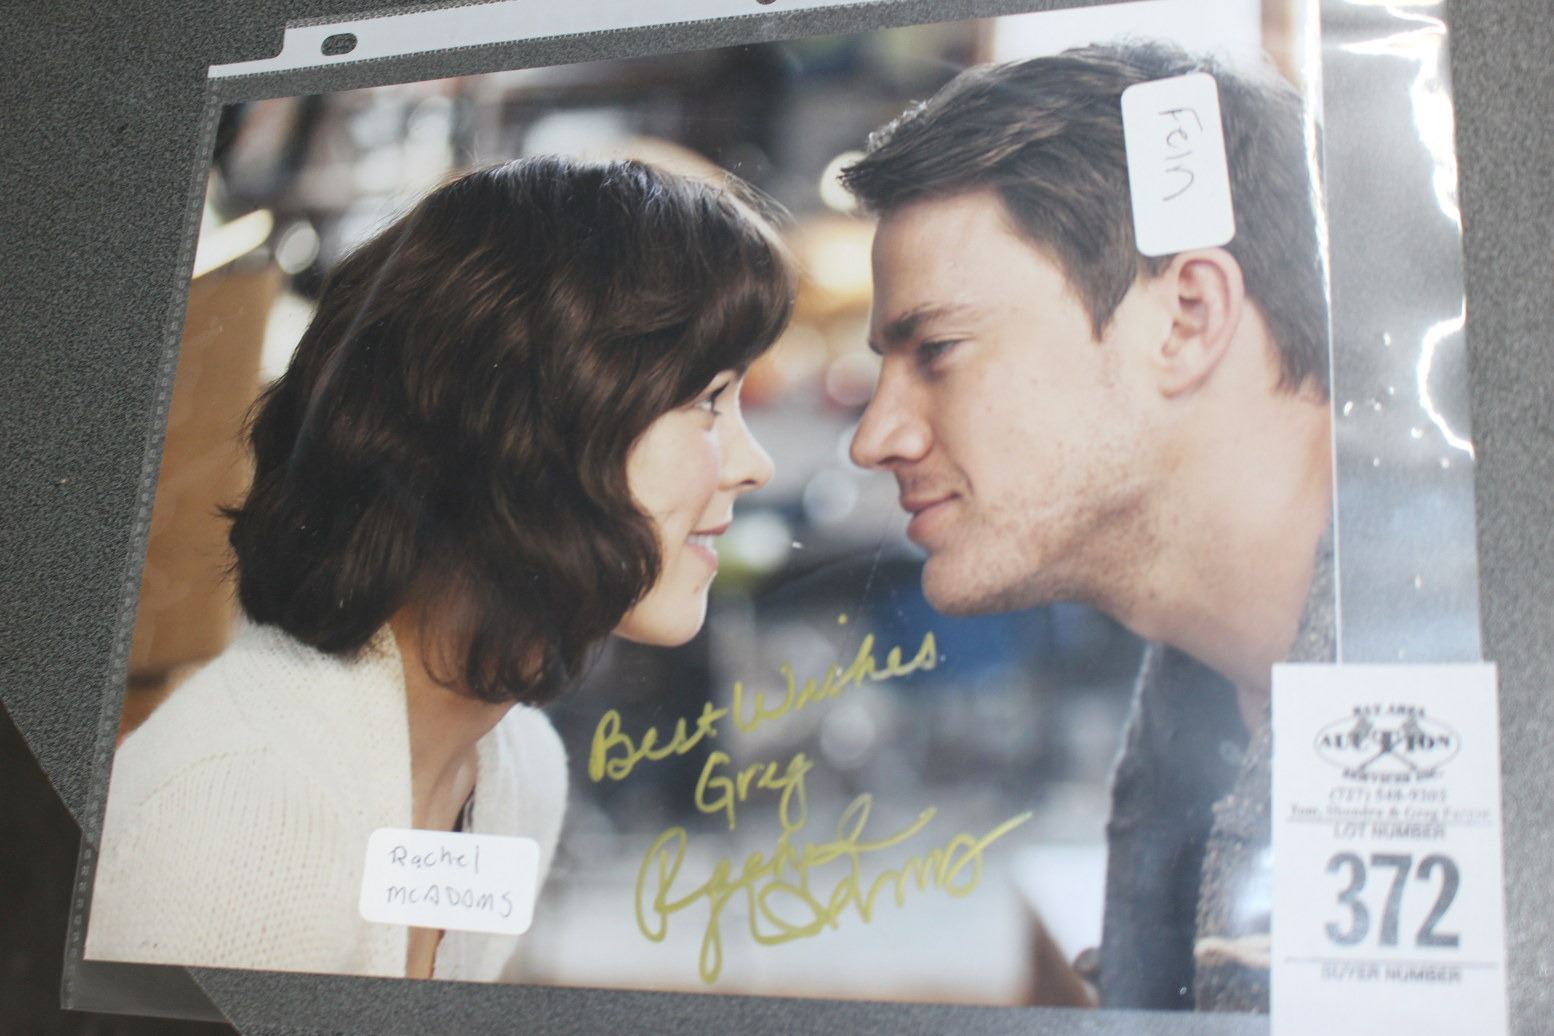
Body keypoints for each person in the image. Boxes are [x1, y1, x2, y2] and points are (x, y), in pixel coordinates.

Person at [85, 156, 793, 980]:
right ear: (523, 423)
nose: (756, 465)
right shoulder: (245, 819)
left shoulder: (516, 770)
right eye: (706, 401)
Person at [841, 42, 1331, 1012]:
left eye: (936, 349)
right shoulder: (1201, 730)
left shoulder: (1503, 732)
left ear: (1186, 317)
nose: (875, 436)